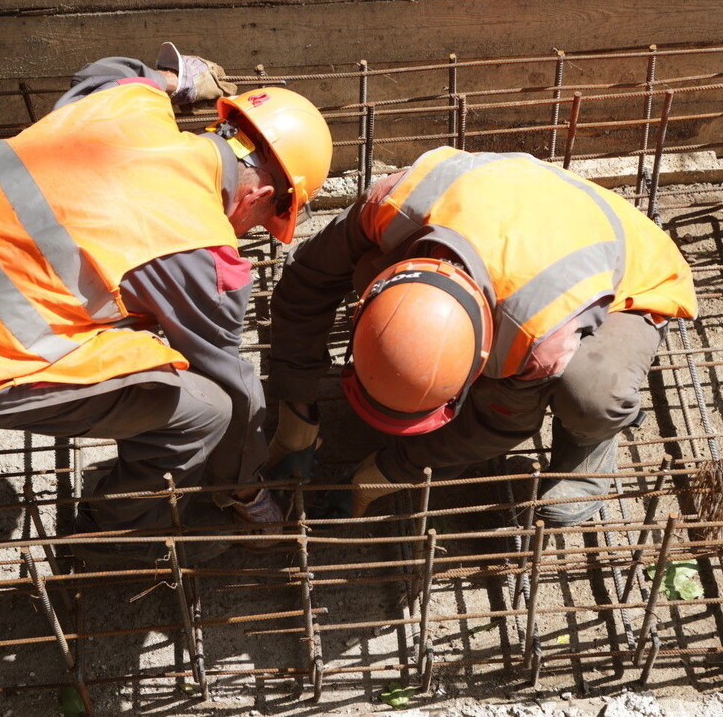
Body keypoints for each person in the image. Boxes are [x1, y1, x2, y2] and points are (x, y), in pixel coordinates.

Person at [0, 44, 333, 559]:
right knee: (206, 410)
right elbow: (236, 389)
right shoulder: (207, 253)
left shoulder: (129, 105)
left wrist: (176, 80)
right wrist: (247, 490)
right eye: (262, 223)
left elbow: (113, 72)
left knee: (117, 309)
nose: (249, 234)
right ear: (255, 198)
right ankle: (115, 538)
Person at [265, 146, 697, 526]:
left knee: (590, 393)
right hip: (513, 203)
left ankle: (591, 445)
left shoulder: (537, 335)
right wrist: (295, 409)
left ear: (481, 352)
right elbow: (306, 282)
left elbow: (496, 425)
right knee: (360, 265)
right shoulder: (395, 203)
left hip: (629, 267)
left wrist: (385, 473)